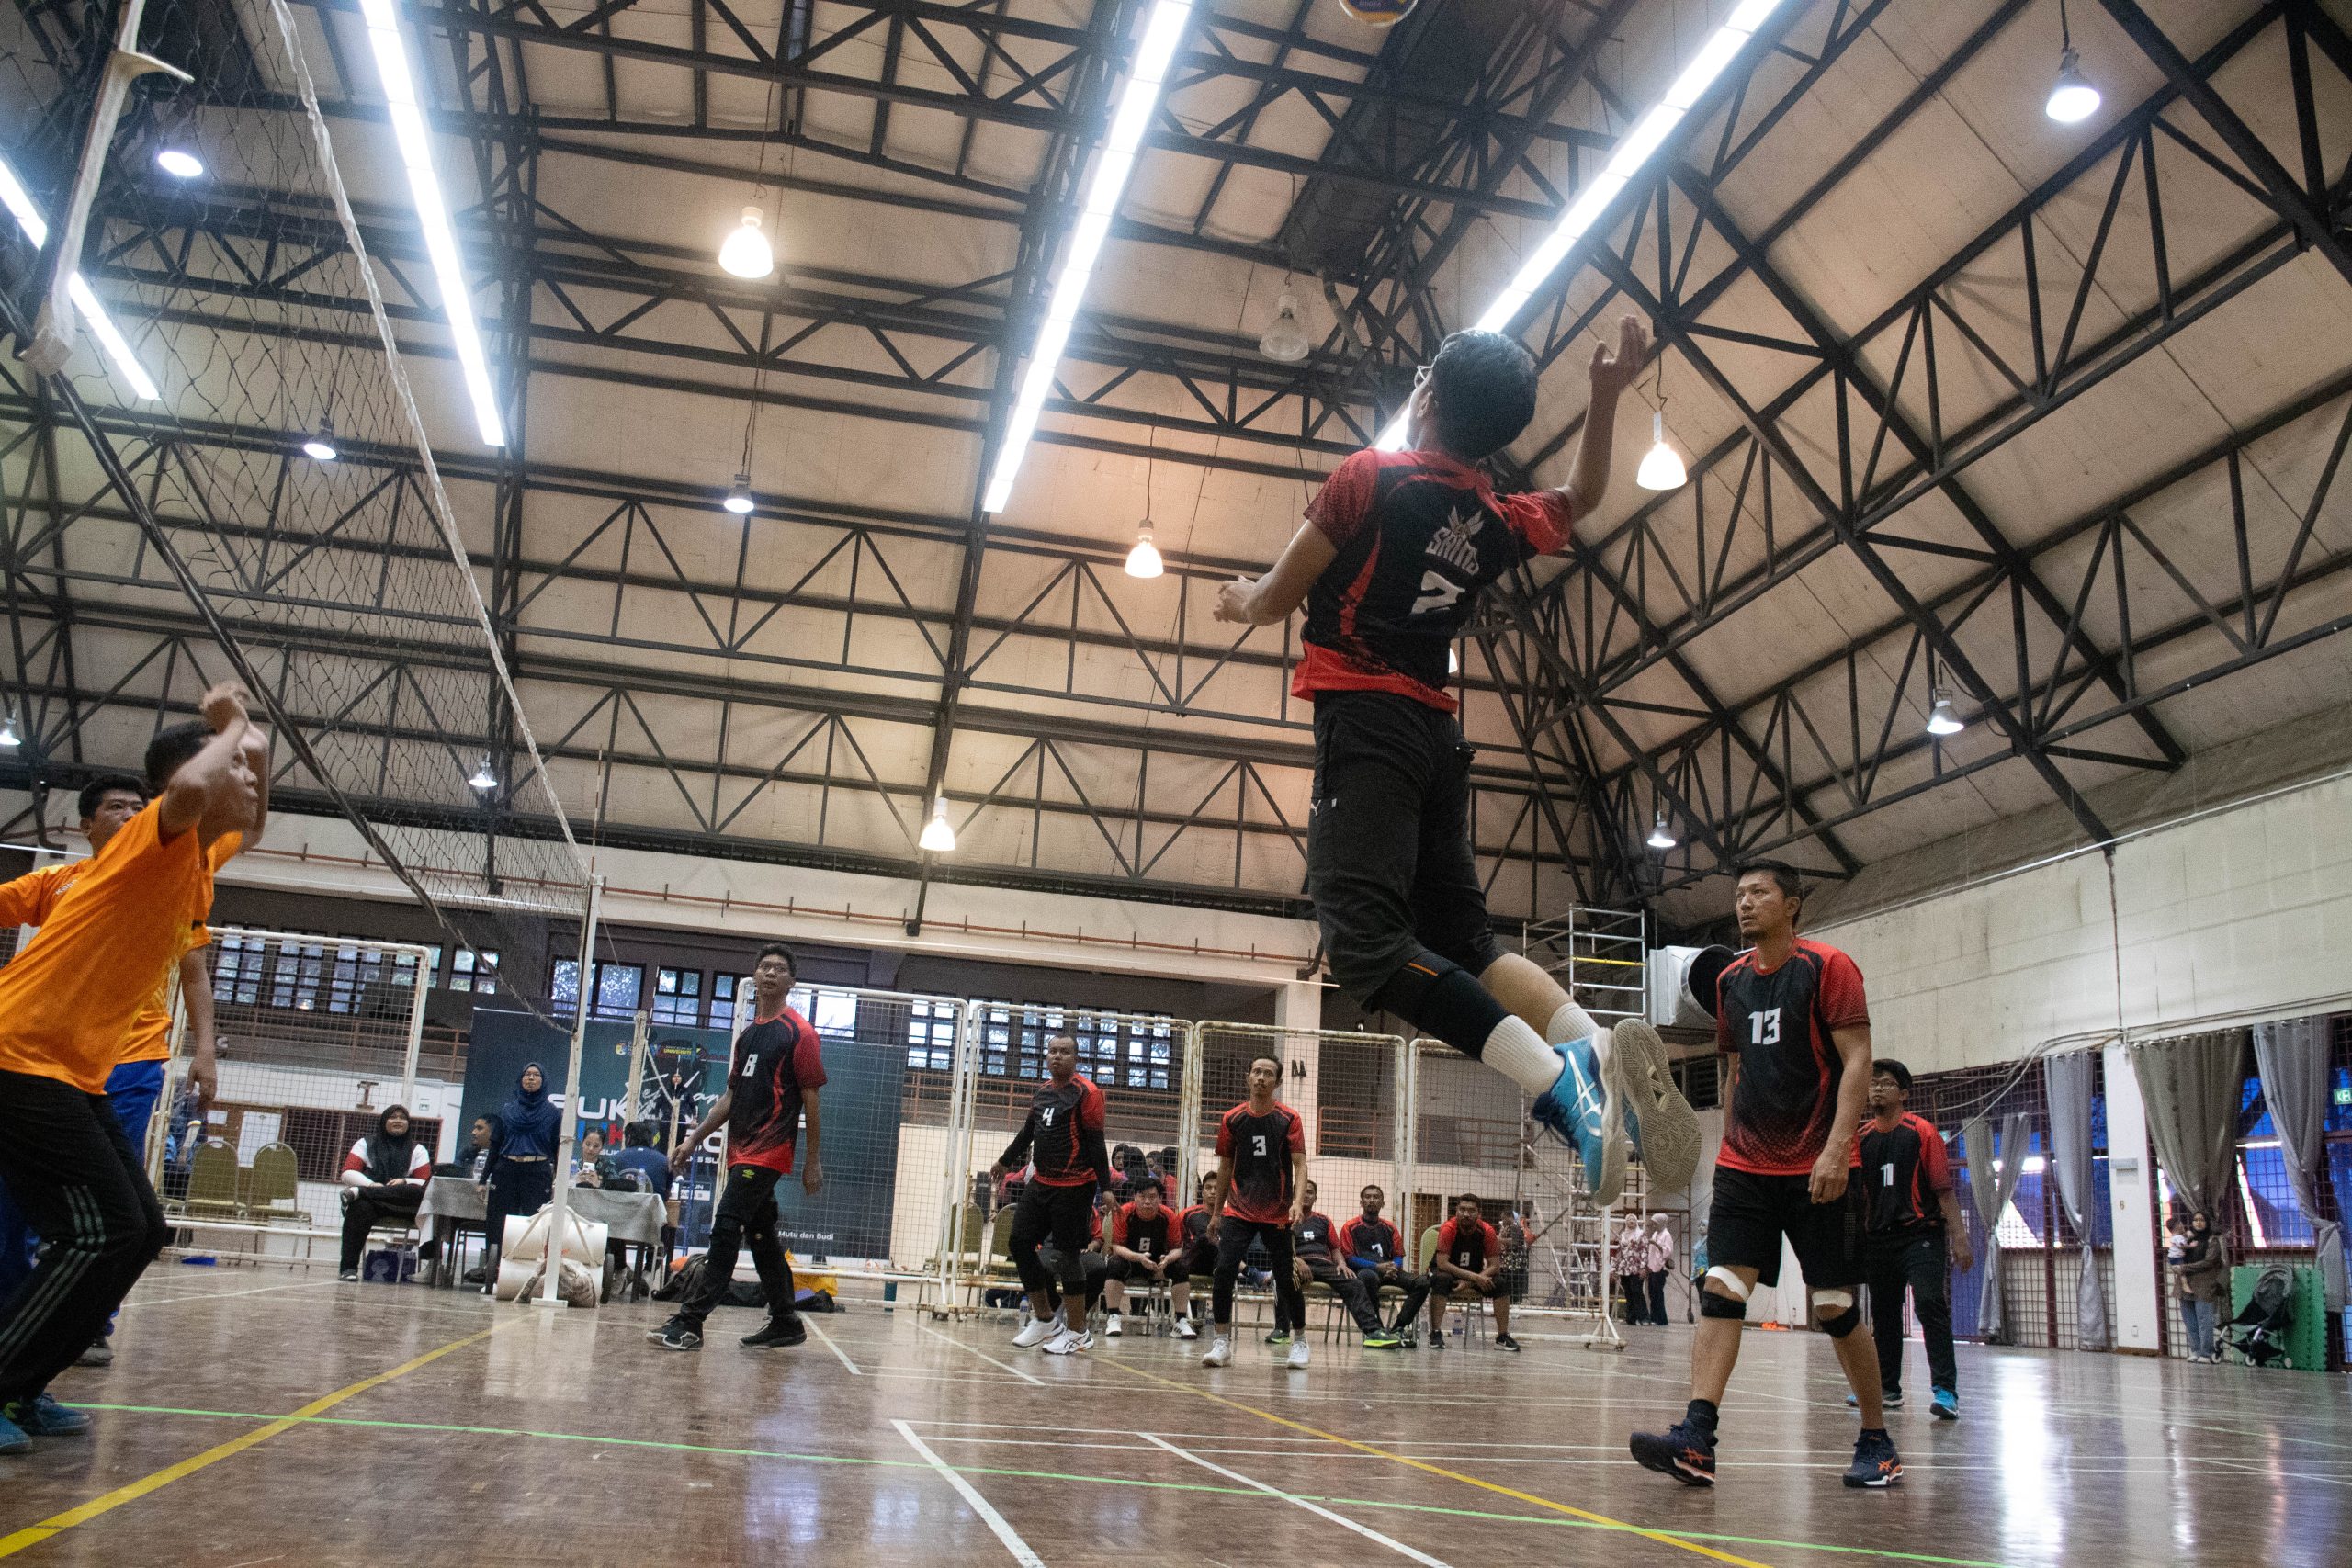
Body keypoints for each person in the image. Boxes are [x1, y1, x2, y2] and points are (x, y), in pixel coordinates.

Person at [1212, 320, 1697, 1208]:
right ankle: (1592, 1042)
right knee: (1467, 942)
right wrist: (1603, 397)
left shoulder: (1368, 477)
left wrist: (1242, 598)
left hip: (1369, 725)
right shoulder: (1495, 517)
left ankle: (1559, 1083)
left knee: (1368, 949)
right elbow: (1583, 494)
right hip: (1437, 735)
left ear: (1428, 392)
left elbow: (1279, 596)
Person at [0, 682, 261, 1454]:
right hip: (21, 1057)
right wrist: (234, 725)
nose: (245, 779)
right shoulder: (154, 836)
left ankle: (24, 1387)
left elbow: (253, 818)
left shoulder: (199, 858)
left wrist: (252, 747)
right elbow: (187, 787)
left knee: (140, 1229)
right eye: (234, 770)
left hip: (69, 1071)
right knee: (99, 1229)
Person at [1631, 863, 1899, 1491]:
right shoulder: (1730, 981)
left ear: (1792, 904)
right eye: (1739, 895)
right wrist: (1729, 1144)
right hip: (1746, 1168)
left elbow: (1858, 1058)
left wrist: (1838, 1147)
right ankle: (1697, 1438)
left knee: (1833, 1306)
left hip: (1820, 1164)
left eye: (1759, 893)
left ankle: (1877, 1439)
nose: (1745, 904)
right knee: (1721, 1290)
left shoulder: (1829, 967)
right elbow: (1734, 1069)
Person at [652, 944, 824, 1351]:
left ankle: (690, 1321)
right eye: (764, 967)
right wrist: (693, 1139)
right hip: (741, 1150)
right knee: (761, 1235)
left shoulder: (800, 1032)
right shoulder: (748, 1035)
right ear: (754, 976)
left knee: (726, 1226)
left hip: (769, 1150)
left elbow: (811, 1100)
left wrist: (812, 1160)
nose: (770, 973)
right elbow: (730, 1098)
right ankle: (785, 1320)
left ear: (791, 982)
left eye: (779, 969)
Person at [1850, 1060, 1971, 1419]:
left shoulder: (1922, 1132)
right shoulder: (1862, 1137)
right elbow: (1857, 1197)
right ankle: (1887, 1388)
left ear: (1903, 1094)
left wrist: (1960, 1238)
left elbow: (1944, 1190)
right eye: (1872, 1083)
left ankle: (1945, 1391)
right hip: (1879, 1239)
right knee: (1884, 1314)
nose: (1877, 1089)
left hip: (1921, 1234)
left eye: (1886, 1083)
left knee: (1930, 1303)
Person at [991, 1032, 1112, 1356]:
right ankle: (1045, 1319)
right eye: (1053, 1051)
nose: (1057, 1056)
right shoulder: (1043, 1092)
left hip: (1075, 1186)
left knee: (1066, 1256)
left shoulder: (1087, 1094)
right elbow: (1028, 1132)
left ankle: (1078, 1332)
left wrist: (1106, 1188)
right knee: (1019, 1242)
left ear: (1075, 1058)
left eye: (1065, 1052)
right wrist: (1005, 1161)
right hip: (1041, 1182)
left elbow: (1097, 1144)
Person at [1201, 1056, 1308, 1371]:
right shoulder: (1232, 1118)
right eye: (1257, 1072)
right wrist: (1217, 1213)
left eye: (1268, 1074)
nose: (1261, 1077)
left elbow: (1300, 1164)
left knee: (1286, 1278)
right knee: (1224, 1271)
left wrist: (1297, 1202)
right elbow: (1225, 1166)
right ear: (1248, 1077)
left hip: (1277, 1212)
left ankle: (1300, 1341)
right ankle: (1222, 1342)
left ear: (1278, 1082)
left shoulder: (1289, 1118)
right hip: (1239, 1210)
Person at [1290, 1180, 1400, 1348]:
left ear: (1315, 1198)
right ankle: (1281, 1330)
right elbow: (1280, 1249)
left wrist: (1342, 1264)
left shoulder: (1324, 1221)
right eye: (1302, 1191)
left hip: (1324, 1265)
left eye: (1310, 1192)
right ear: (1294, 1195)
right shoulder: (1285, 1218)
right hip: (1297, 1264)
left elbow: (1335, 1249)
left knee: (1354, 1283)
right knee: (1282, 1276)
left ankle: (1373, 1332)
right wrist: (1297, 1261)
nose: (1306, 1195)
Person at [481, 1062, 560, 1292]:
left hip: (537, 1172)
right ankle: (495, 1276)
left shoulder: (553, 1113)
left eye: (536, 1075)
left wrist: (558, 1179)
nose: (531, 1078)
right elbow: (495, 1146)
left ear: (543, 1081)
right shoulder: (507, 1110)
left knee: (535, 1225)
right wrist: (483, 1179)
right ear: (520, 1079)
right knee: (498, 1223)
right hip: (505, 1170)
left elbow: (558, 1148)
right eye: (527, 1074)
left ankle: (530, 1278)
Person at [337, 1104, 431, 1280]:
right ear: (383, 1122)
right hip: (375, 1204)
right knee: (359, 1207)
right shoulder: (365, 1143)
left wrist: (405, 1181)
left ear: (408, 1123)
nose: (398, 1121)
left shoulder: (418, 1150)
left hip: (405, 1204)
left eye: (402, 1118)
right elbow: (348, 1173)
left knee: (421, 1197)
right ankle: (348, 1269)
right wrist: (372, 1186)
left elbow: (425, 1183)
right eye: (393, 1117)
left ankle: (359, 1192)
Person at [1427, 1194, 1519, 1350]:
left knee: (1500, 1283)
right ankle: (1435, 1333)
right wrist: (1473, 1278)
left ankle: (1502, 1337)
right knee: (1441, 1279)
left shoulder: (1487, 1231)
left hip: (1474, 1276)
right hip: (1447, 1273)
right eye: (1462, 1209)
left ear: (1479, 1213)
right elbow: (1442, 1263)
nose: (1466, 1214)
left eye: (1471, 1210)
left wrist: (1470, 1281)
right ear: (1456, 1211)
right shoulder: (1448, 1229)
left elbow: (1495, 1266)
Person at [1340, 1184, 1429, 1344]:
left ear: (1382, 1203)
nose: (1371, 1200)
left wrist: (1394, 1266)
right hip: (1366, 1271)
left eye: (1376, 1197)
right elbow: (1349, 1258)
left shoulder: (1390, 1228)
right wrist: (1376, 1267)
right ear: (1361, 1202)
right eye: (1367, 1197)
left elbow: (1398, 1255)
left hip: (1389, 1271)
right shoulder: (1350, 1227)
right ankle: (1377, 1329)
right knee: (1367, 1277)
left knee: (1422, 1283)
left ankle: (1398, 1328)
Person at [1102, 1178, 1191, 1337]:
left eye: (1152, 1197)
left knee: (1181, 1266)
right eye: (1142, 1196)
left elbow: (1177, 1249)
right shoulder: (1124, 1212)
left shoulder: (1169, 1216)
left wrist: (1167, 1260)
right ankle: (1113, 1317)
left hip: (1158, 1265)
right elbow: (1117, 1247)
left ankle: (1180, 1321)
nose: (1147, 1201)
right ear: (1135, 1197)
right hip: (1131, 1261)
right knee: (1115, 1263)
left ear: (1160, 1198)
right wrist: (1138, 1257)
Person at [2175, 1210, 2228, 1363]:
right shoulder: (2187, 1240)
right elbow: (2175, 1254)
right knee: (2189, 1320)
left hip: (2204, 1284)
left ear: (2207, 1222)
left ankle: (2206, 1352)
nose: (2198, 1222)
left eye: (2202, 1220)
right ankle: (2196, 1350)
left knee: (2204, 1319)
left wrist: (2186, 1268)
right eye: (2195, 1220)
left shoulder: (2212, 1241)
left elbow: (2209, 1262)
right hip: (2185, 1283)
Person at [1645, 1213, 1675, 1327]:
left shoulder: (1666, 1235)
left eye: (1655, 1224)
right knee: (1652, 1294)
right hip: (1652, 1268)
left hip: (1660, 1268)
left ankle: (1661, 1319)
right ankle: (1654, 1317)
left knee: (1658, 1294)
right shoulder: (1655, 1234)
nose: (1653, 1226)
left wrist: (1656, 1244)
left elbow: (1668, 1252)